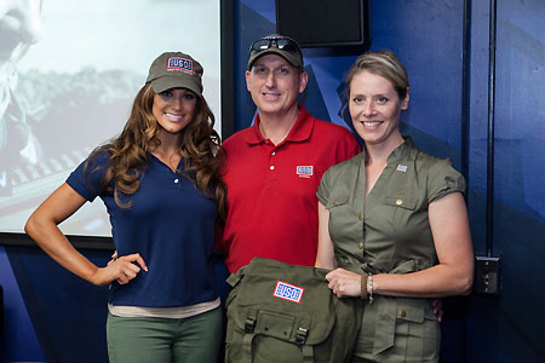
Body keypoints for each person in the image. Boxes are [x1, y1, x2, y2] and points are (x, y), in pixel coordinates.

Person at [24, 51, 225, 363]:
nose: (177, 105)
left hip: (203, 316)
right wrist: (94, 273)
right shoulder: (111, 159)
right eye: (167, 93)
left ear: (198, 105)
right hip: (138, 319)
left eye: (188, 96)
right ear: (148, 97)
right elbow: (39, 223)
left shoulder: (211, 160)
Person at [315, 50, 474, 362]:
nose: (368, 111)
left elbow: (460, 277)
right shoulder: (334, 178)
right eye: (358, 99)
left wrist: (368, 284)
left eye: (382, 99)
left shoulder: (435, 175)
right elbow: (323, 266)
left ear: (404, 100)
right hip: (339, 337)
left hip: (404, 344)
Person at [217, 34, 361, 274]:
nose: (270, 82)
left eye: (283, 71)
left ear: (302, 81)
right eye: (261, 71)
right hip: (243, 300)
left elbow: (363, 230)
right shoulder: (229, 150)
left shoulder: (338, 144)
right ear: (248, 80)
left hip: (313, 298)